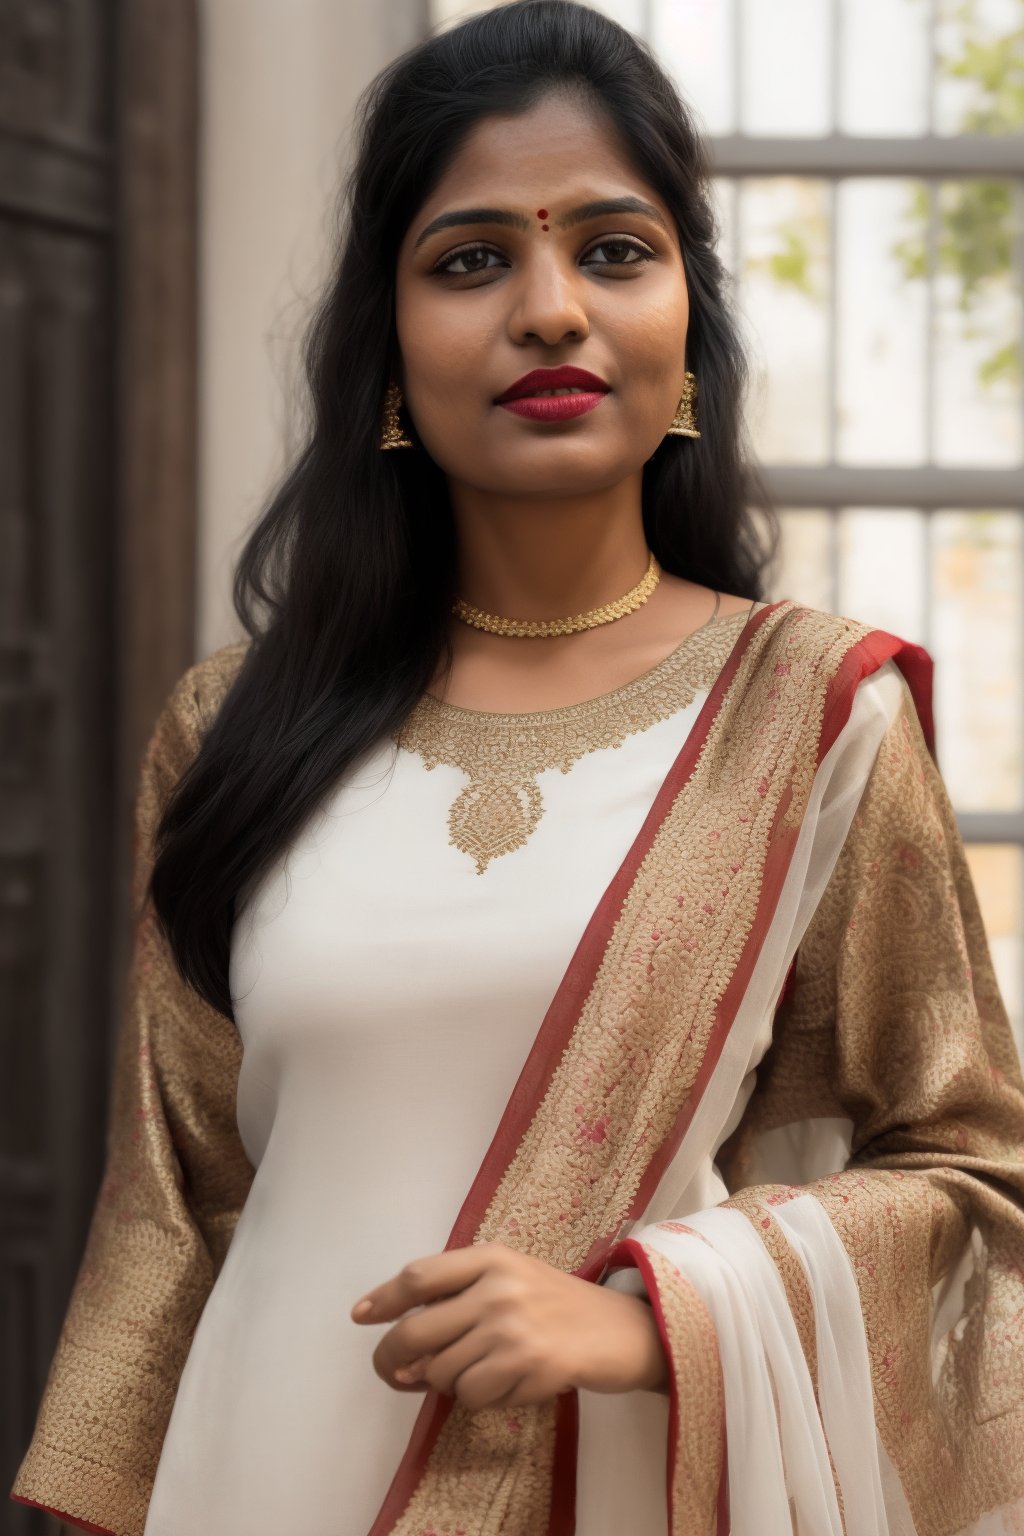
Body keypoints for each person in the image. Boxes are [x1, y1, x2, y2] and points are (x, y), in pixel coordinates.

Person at [11, 2, 1024, 1533]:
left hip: (612, 1482)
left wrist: (652, 1312)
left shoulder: (811, 717)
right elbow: (179, 1206)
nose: (551, 309)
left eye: (612, 249)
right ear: (388, 347)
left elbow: (971, 1173)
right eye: (473, 259)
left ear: (688, 314)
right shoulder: (235, 730)